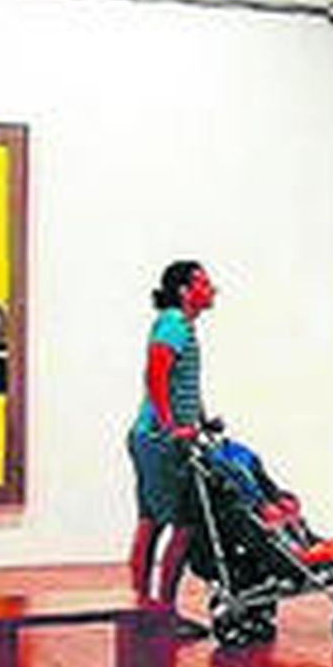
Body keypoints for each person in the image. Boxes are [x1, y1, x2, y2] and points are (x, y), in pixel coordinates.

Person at [127, 260, 217, 637]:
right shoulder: (173, 323)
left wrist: (202, 420)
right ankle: (162, 613)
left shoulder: (180, 325)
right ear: (184, 290)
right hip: (160, 440)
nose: (212, 289)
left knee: (151, 521)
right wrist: (170, 428)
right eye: (204, 283)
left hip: (153, 437)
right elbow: (156, 375)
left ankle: (139, 609)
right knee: (184, 524)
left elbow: (182, 383)